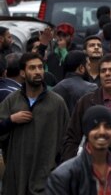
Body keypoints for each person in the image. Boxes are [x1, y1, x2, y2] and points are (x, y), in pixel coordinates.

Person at [0, 53, 70, 195]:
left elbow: (67, 138)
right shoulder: (12, 101)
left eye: (40, 67)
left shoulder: (56, 103)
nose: (38, 71)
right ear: (22, 73)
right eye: (32, 68)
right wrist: (11, 121)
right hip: (16, 175)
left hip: (45, 176)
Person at [46, 105, 111, 194]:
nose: (102, 132)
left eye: (107, 126)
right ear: (86, 131)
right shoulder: (64, 176)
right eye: (95, 127)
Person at [52, 50, 98, 115]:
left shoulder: (55, 89)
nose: (90, 68)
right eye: (88, 65)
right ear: (81, 68)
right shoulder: (91, 88)